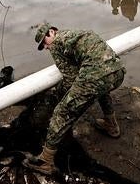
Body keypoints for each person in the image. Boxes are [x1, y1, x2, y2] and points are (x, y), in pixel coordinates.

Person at [23, 24, 126, 175]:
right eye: (42, 46)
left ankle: (45, 161)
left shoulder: (57, 44)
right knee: (101, 90)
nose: (45, 47)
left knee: (61, 112)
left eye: (44, 42)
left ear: (52, 32)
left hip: (96, 75)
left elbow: (70, 79)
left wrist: (59, 95)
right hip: (118, 72)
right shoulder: (75, 33)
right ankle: (111, 125)